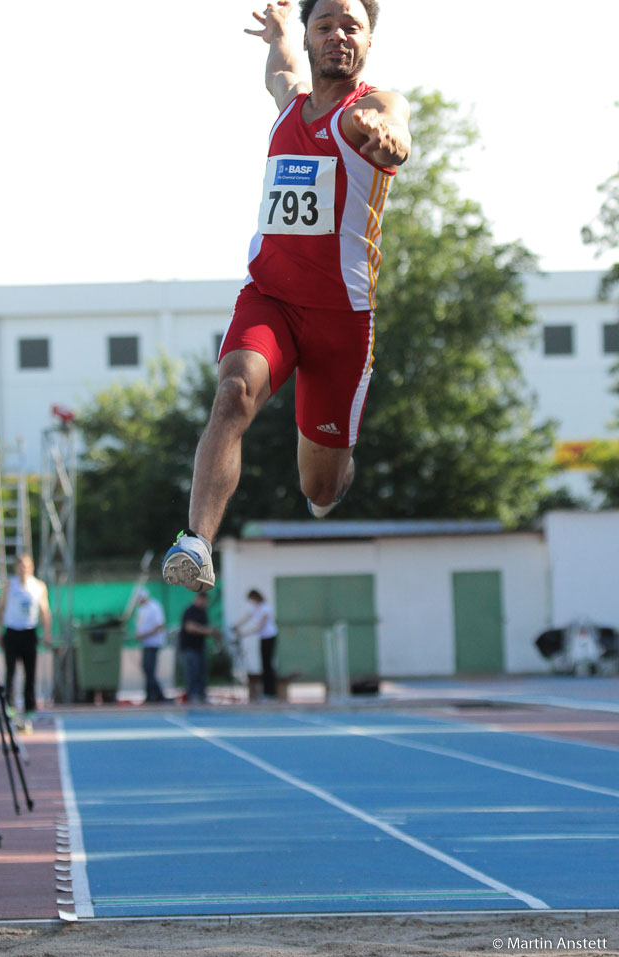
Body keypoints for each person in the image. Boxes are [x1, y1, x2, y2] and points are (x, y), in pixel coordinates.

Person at [163, 0, 411, 593]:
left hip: (340, 321)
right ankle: (196, 543)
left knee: (318, 490)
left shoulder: (373, 108)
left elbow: (396, 133)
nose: (338, 35)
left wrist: (388, 141)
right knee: (232, 393)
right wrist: (277, 33)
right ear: (310, 36)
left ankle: (340, 470)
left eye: (352, 26)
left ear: (369, 41)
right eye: (324, 25)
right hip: (269, 298)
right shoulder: (290, 103)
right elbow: (280, 67)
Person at [0, 554, 52, 730]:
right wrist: (0, 631)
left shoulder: (39, 586)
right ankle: (10, 706)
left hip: (29, 632)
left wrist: (47, 632)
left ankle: (30, 708)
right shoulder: (9, 585)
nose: (24, 569)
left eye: (27, 565)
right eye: (21, 565)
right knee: (10, 671)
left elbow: (45, 610)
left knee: (30, 672)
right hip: (12, 632)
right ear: (16, 567)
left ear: (32, 567)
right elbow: (1, 608)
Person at [233, 590, 279, 698]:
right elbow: (247, 617)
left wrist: (243, 633)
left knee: (268, 664)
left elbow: (260, 627)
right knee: (263, 664)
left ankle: (270, 692)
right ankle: (267, 691)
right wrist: (237, 625)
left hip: (270, 637)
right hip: (263, 637)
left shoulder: (265, 608)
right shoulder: (255, 607)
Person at [179, 593, 222, 703]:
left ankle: (201, 695)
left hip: (200, 647)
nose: (205, 603)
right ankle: (193, 695)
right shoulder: (190, 611)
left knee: (201, 673)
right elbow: (190, 627)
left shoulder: (203, 612)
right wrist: (208, 631)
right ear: (199, 599)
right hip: (190, 648)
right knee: (192, 673)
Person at [134, 588, 169, 703]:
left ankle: (157, 695)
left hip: (154, 643)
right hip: (146, 643)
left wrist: (144, 635)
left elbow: (159, 625)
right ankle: (151, 695)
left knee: (149, 668)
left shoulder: (154, 607)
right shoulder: (141, 609)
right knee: (147, 668)